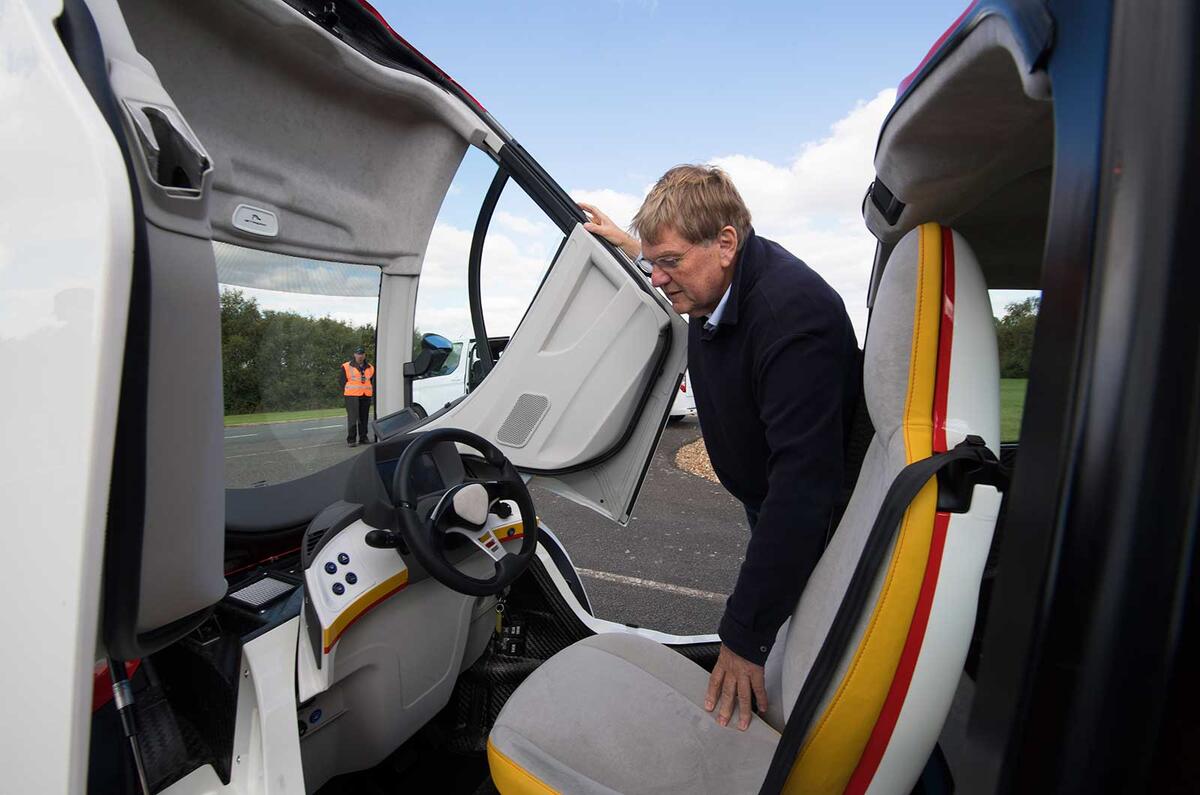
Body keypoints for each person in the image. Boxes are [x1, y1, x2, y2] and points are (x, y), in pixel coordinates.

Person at [580, 165, 859, 732]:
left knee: (826, 662)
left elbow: (803, 493)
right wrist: (634, 245)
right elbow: (681, 258)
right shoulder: (717, 276)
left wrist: (743, 637)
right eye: (651, 263)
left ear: (726, 243)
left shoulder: (791, 318)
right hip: (770, 503)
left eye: (669, 262)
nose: (657, 278)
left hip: (818, 522)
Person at [340, 346, 374, 447]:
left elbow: (371, 381)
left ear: (364, 355)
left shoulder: (370, 367)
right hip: (352, 396)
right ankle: (351, 439)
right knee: (353, 418)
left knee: (364, 418)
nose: (360, 356)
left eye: (362, 354)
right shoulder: (346, 366)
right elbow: (342, 382)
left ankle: (363, 438)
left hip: (365, 395)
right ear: (354, 355)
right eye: (358, 354)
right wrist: (348, 391)